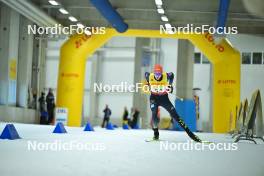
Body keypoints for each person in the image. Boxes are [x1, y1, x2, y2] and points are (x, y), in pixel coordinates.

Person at [145, 64, 202, 142]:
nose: (157, 75)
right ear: (153, 73)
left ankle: (191, 135)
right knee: (154, 113)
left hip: (164, 99)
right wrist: (148, 83)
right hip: (154, 98)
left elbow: (172, 74)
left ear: (162, 73)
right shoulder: (150, 76)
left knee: (176, 116)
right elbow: (146, 74)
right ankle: (156, 134)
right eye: (156, 73)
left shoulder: (166, 76)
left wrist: (170, 86)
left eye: (159, 73)